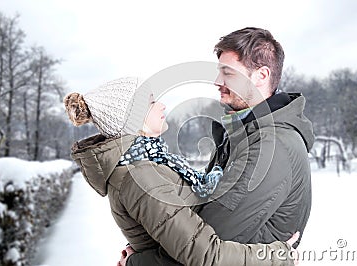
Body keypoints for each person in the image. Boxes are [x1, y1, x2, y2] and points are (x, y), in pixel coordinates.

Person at [64, 77, 298, 266]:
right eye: (152, 102)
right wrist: (279, 256)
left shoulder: (151, 162)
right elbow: (204, 255)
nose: (162, 105)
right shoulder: (140, 178)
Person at [133, 27, 314, 265]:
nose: (217, 81)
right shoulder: (241, 135)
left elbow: (203, 244)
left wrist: (137, 262)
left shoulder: (270, 147)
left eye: (227, 73)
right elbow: (198, 216)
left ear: (261, 75)